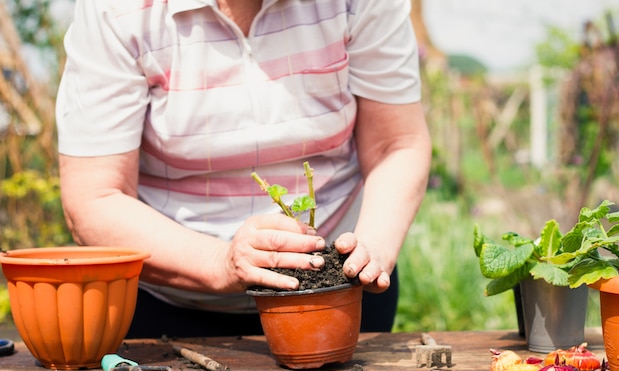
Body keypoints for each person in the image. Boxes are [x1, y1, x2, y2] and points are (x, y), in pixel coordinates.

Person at [56, 0, 432, 338]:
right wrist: (221, 263)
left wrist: (372, 247)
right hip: (170, 308)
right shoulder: (116, 11)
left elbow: (396, 144)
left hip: (338, 298)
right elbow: (95, 197)